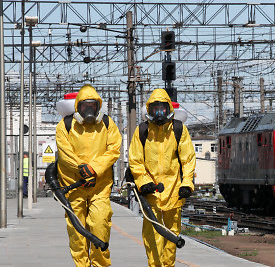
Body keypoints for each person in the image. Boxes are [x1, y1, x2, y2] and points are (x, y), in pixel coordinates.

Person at [56, 84, 122, 267]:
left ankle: (101, 264)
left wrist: (93, 169)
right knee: (77, 233)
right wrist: (81, 169)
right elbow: (65, 153)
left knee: (100, 225)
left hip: (99, 186)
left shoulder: (107, 124)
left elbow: (114, 149)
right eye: (85, 106)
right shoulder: (65, 125)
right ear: (78, 107)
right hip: (73, 187)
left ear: (98, 106)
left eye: (93, 106)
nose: (89, 110)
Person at [129, 88, 196, 267]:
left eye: (162, 110)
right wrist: (144, 183)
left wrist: (187, 184)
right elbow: (135, 161)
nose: (159, 114)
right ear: (149, 111)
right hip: (151, 195)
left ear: (168, 109)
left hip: (174, 194)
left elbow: (188, 159)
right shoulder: (142, 131)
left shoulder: (178, 130)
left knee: (171, 236)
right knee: (152, 237)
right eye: (155, 110)